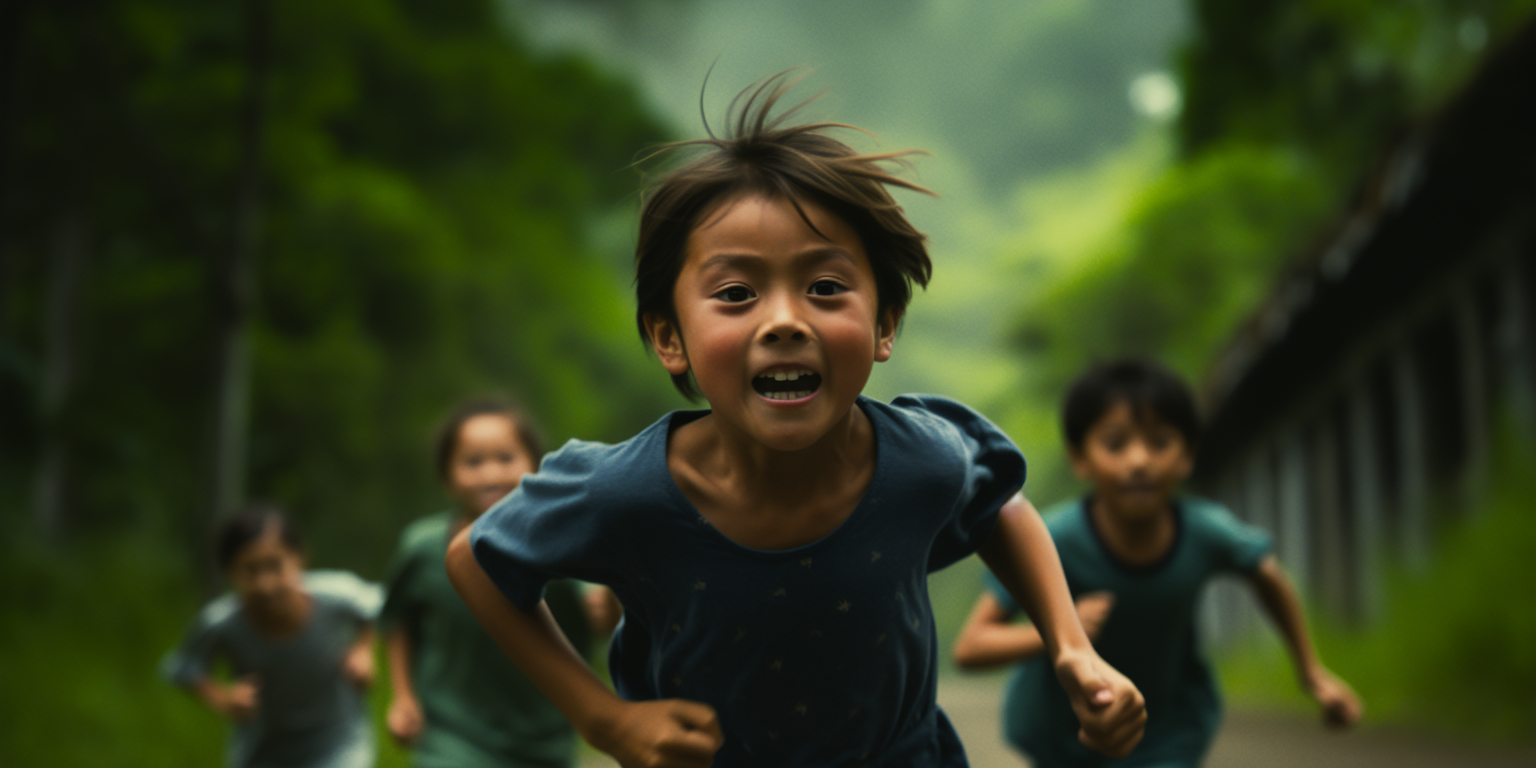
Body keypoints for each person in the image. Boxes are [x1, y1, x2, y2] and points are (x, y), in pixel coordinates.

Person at [443, 73, 1147, 768]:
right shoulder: (622, 493)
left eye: (826, 287)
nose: (784, 320)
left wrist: (1071, 648)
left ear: (883, 323)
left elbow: (998, 503)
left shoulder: (921, 461)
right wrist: (605, 722)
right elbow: (477, 558)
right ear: (669, 338)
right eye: (736, 293)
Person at [953, 358, 1363, 767]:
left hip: (1166, 732)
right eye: (1116, 444)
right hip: (1064, 736)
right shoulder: (1051, 539)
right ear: (1080, 458)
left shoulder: (1206, 532)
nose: (1139, 461)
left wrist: (1311, 672)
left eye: (1159, 442)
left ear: (1186, 456)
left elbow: (1268, 576)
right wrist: (1064, 631)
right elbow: (971, 646)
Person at [381, 398, 602, 768]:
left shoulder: (563, 544)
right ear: (446, 474)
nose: (491, 475)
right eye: (473, 462)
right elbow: (396, 621)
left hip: (545, 742)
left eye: (505, 458)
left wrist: (608, 602)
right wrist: (403, 697)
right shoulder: (421, 549)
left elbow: (600, 611)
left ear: (536, 465)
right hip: (452, 738)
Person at [162, 504, 381, 768]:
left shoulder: (336, 596)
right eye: (251, 570)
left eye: (275, 566)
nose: (265, 584)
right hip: (262, 755)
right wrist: (224, 700)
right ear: (229, 571)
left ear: (300, 557)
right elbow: (185, 668)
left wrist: (363, 648)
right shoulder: (220, 623)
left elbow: (378, 607)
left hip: (339, 746)